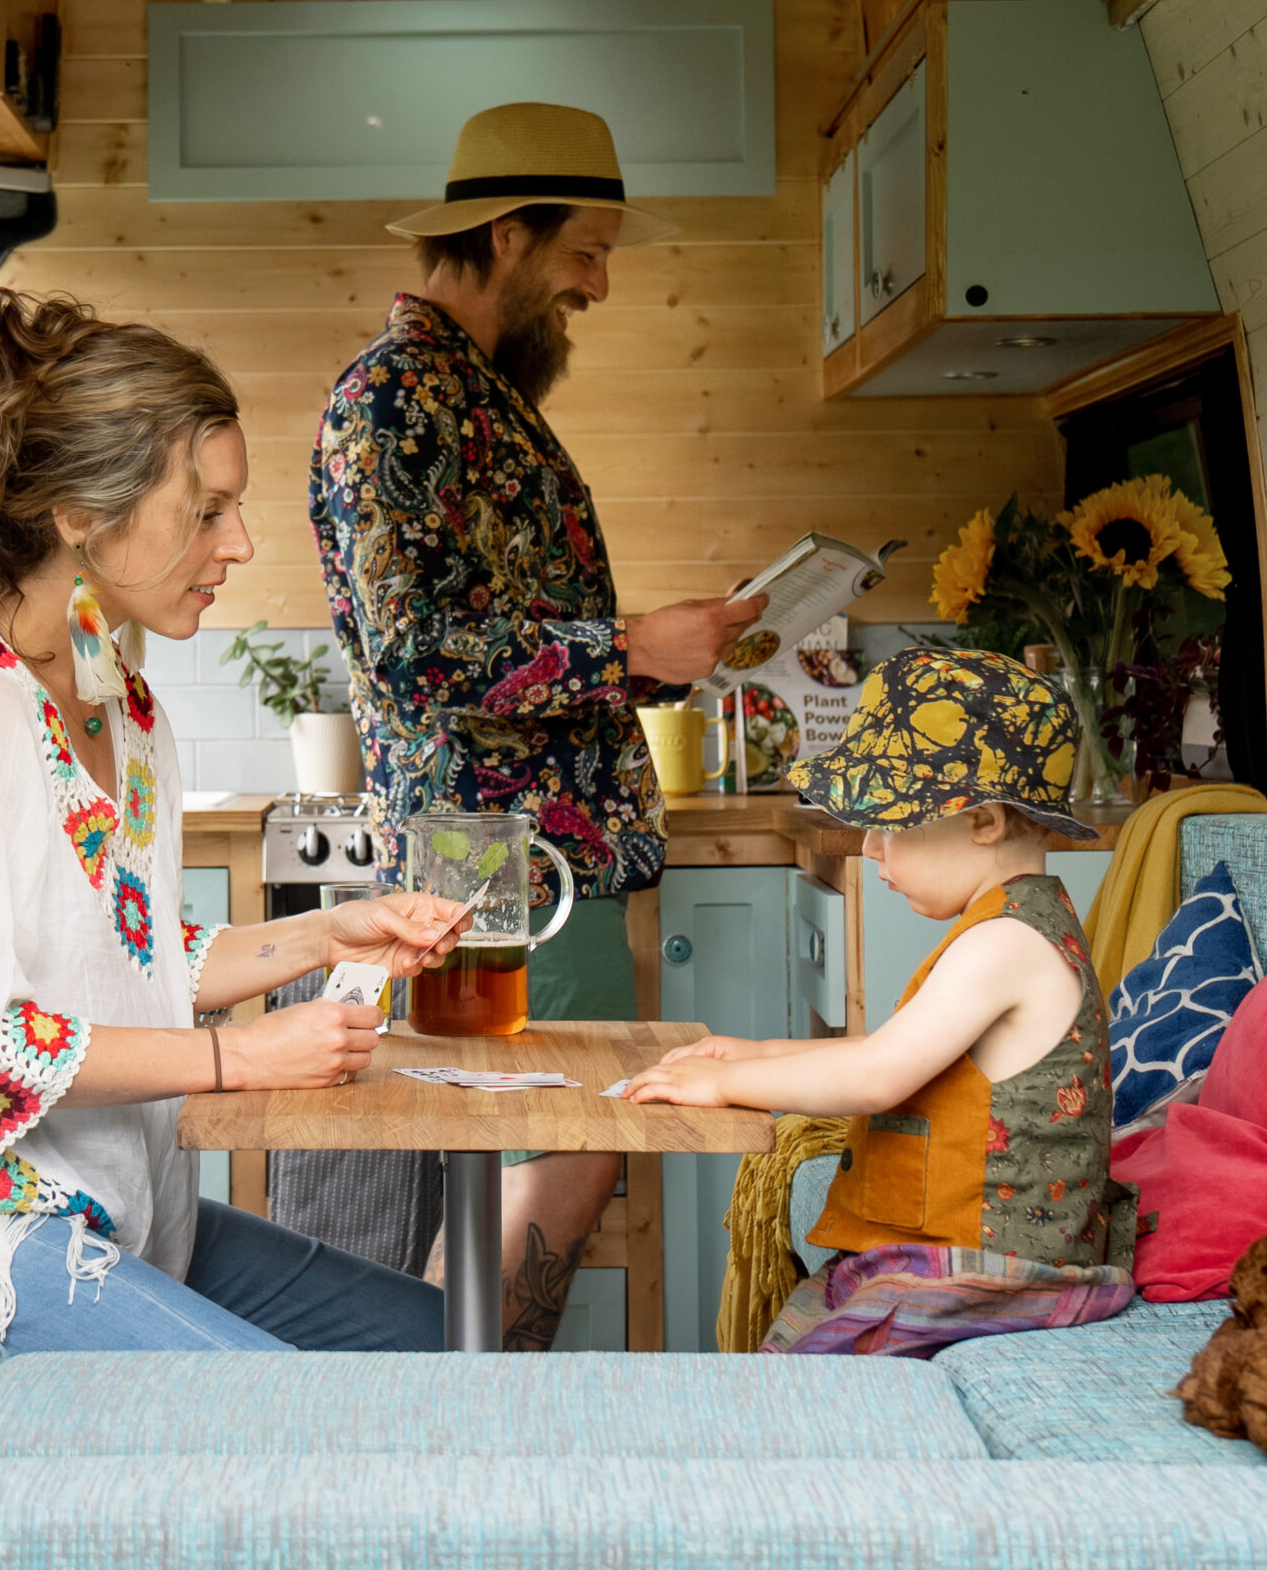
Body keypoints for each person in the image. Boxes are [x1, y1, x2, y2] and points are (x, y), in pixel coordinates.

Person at [0, 289, 468, 1353]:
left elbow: (125, 953)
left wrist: (321, 937)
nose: (241, 541)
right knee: (306, 1419)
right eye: (206, 509)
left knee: (434, 1338)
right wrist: (241, 1061)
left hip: (88, 1208)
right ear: (80, 511)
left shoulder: (120, 704)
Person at [310, 103, 766, 1349]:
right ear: (509, 234)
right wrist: (623, 647)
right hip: (496, 847)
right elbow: (412, 658)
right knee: (556, 1136)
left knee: (530, 1140)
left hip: (529, 842)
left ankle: (462, 1415)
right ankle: (462, 1415)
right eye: (586, 252)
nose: (600, 287)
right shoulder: (400, 398)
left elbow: (495, 637)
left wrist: (652, 663)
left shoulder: (470, 397)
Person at [623, 649, 1138, 1356]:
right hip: (970, 1250)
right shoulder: (1007, 922)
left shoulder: (1007, 943)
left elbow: (875, 1077)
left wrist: (722, 1083)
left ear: (984, 820)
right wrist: (753, 1051)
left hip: (1003, 1269)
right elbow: (890, 1051)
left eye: (891, 824)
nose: (870, 849)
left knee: (805, 1359)